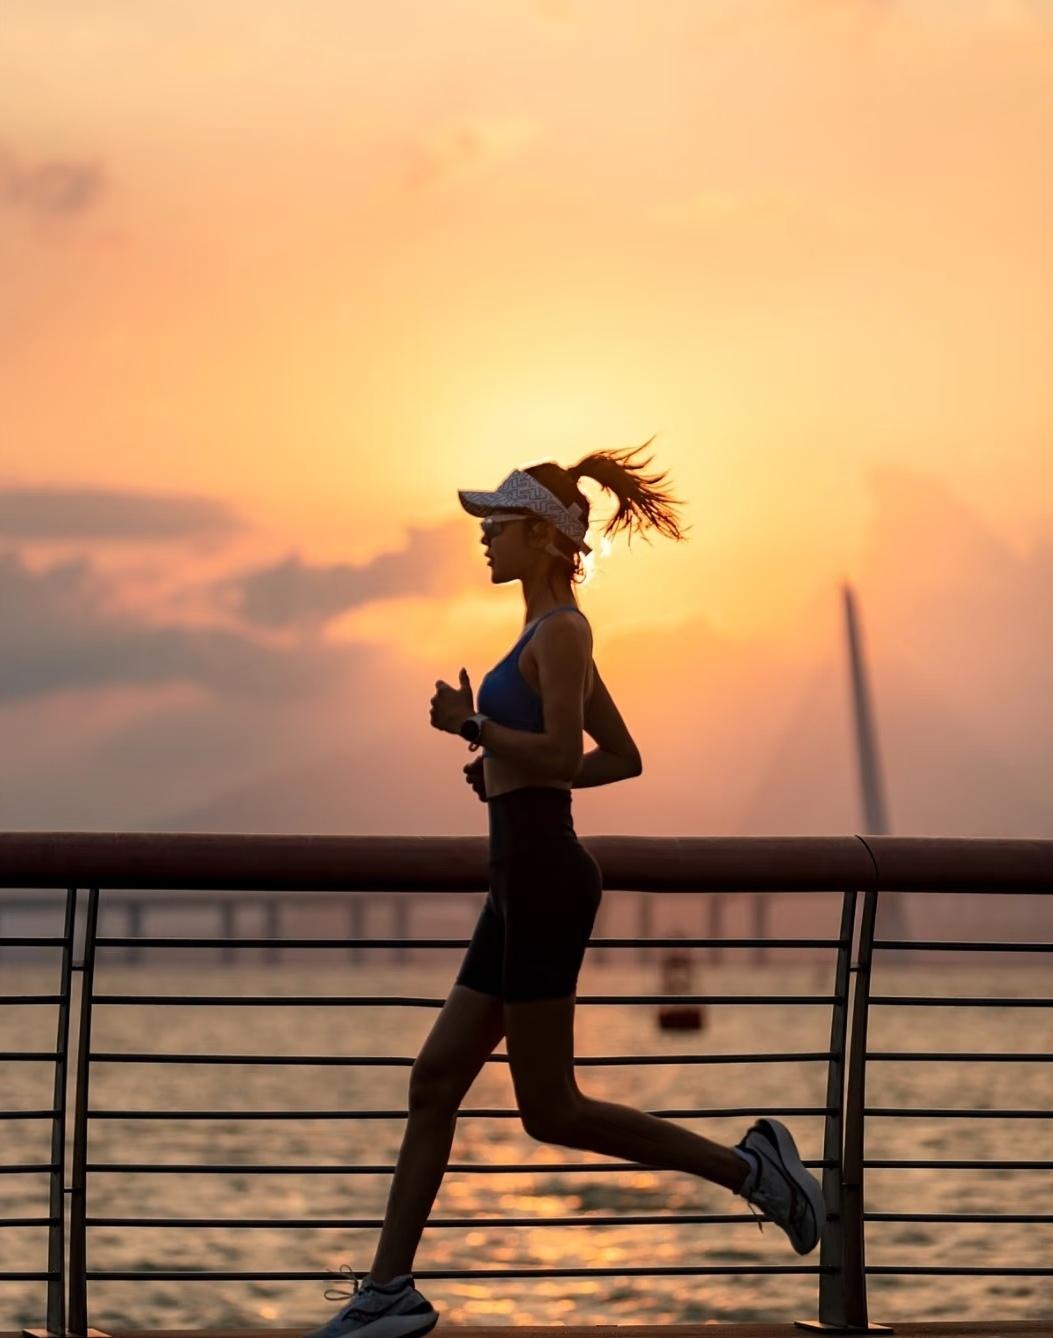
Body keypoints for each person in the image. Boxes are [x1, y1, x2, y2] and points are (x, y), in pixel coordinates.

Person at [303, 442, 825, 1338]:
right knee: (435, 1080)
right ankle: (389, 1292)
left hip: (542, 877)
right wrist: (504, 771)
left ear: (544, 538)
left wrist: (471, 727)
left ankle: (754, 1173)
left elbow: (550, 749)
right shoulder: (545, 633)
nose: (484, 540)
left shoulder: (565, 632)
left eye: (497, 526)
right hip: (518, 876)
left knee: (552, 1110)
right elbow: (613, 757)